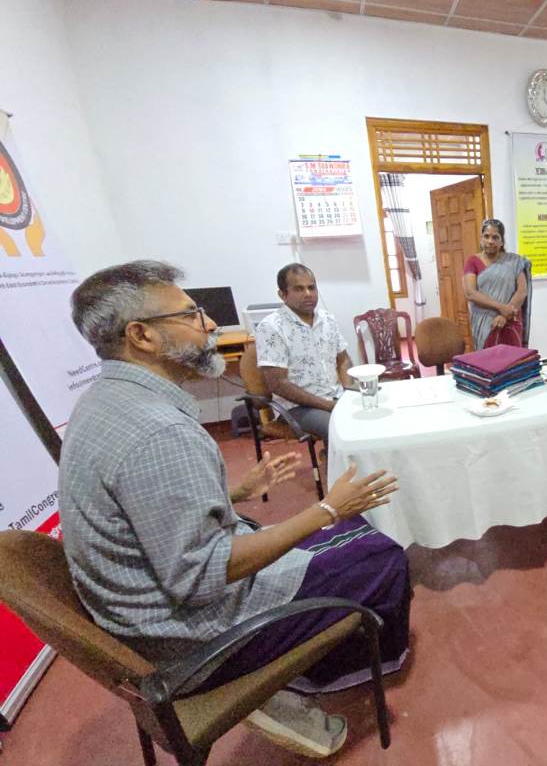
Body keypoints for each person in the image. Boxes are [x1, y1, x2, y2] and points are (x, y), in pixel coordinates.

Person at [60, 261, 410, 759]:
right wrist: (326, 509)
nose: (209, 324)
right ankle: (313, 673)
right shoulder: (161, 432)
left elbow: (143, 514)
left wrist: (233, 494)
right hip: (194, 642)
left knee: (356, 529)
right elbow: (202, 578)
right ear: (142, 336)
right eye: (190, 314)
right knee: (384, 556)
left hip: (144, 616)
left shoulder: (108, 401)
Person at [255, 263, 354, 445]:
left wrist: (348, 393)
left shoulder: (327, 320)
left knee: (375, 415)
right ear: (283, 295)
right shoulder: (271, 327)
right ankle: (335, 461)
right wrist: (329, 406)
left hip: (336, 396)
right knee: (341, 429)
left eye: (311, 287)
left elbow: (344, 360)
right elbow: (278, 384)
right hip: (297, 408)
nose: (308, 294)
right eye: (299, 289)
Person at [462, 218, 532, 350]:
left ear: (502, 241)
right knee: (487, 359)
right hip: (485, 323)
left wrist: (505, 315)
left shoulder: (514, 261)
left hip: (510, 320)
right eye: (486, 236)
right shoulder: (473, 261)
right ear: (481, 239)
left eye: (495, 237)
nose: (490, 241)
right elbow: (470, 293)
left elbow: (522, 291)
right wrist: (501, 307)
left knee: (513, 359)